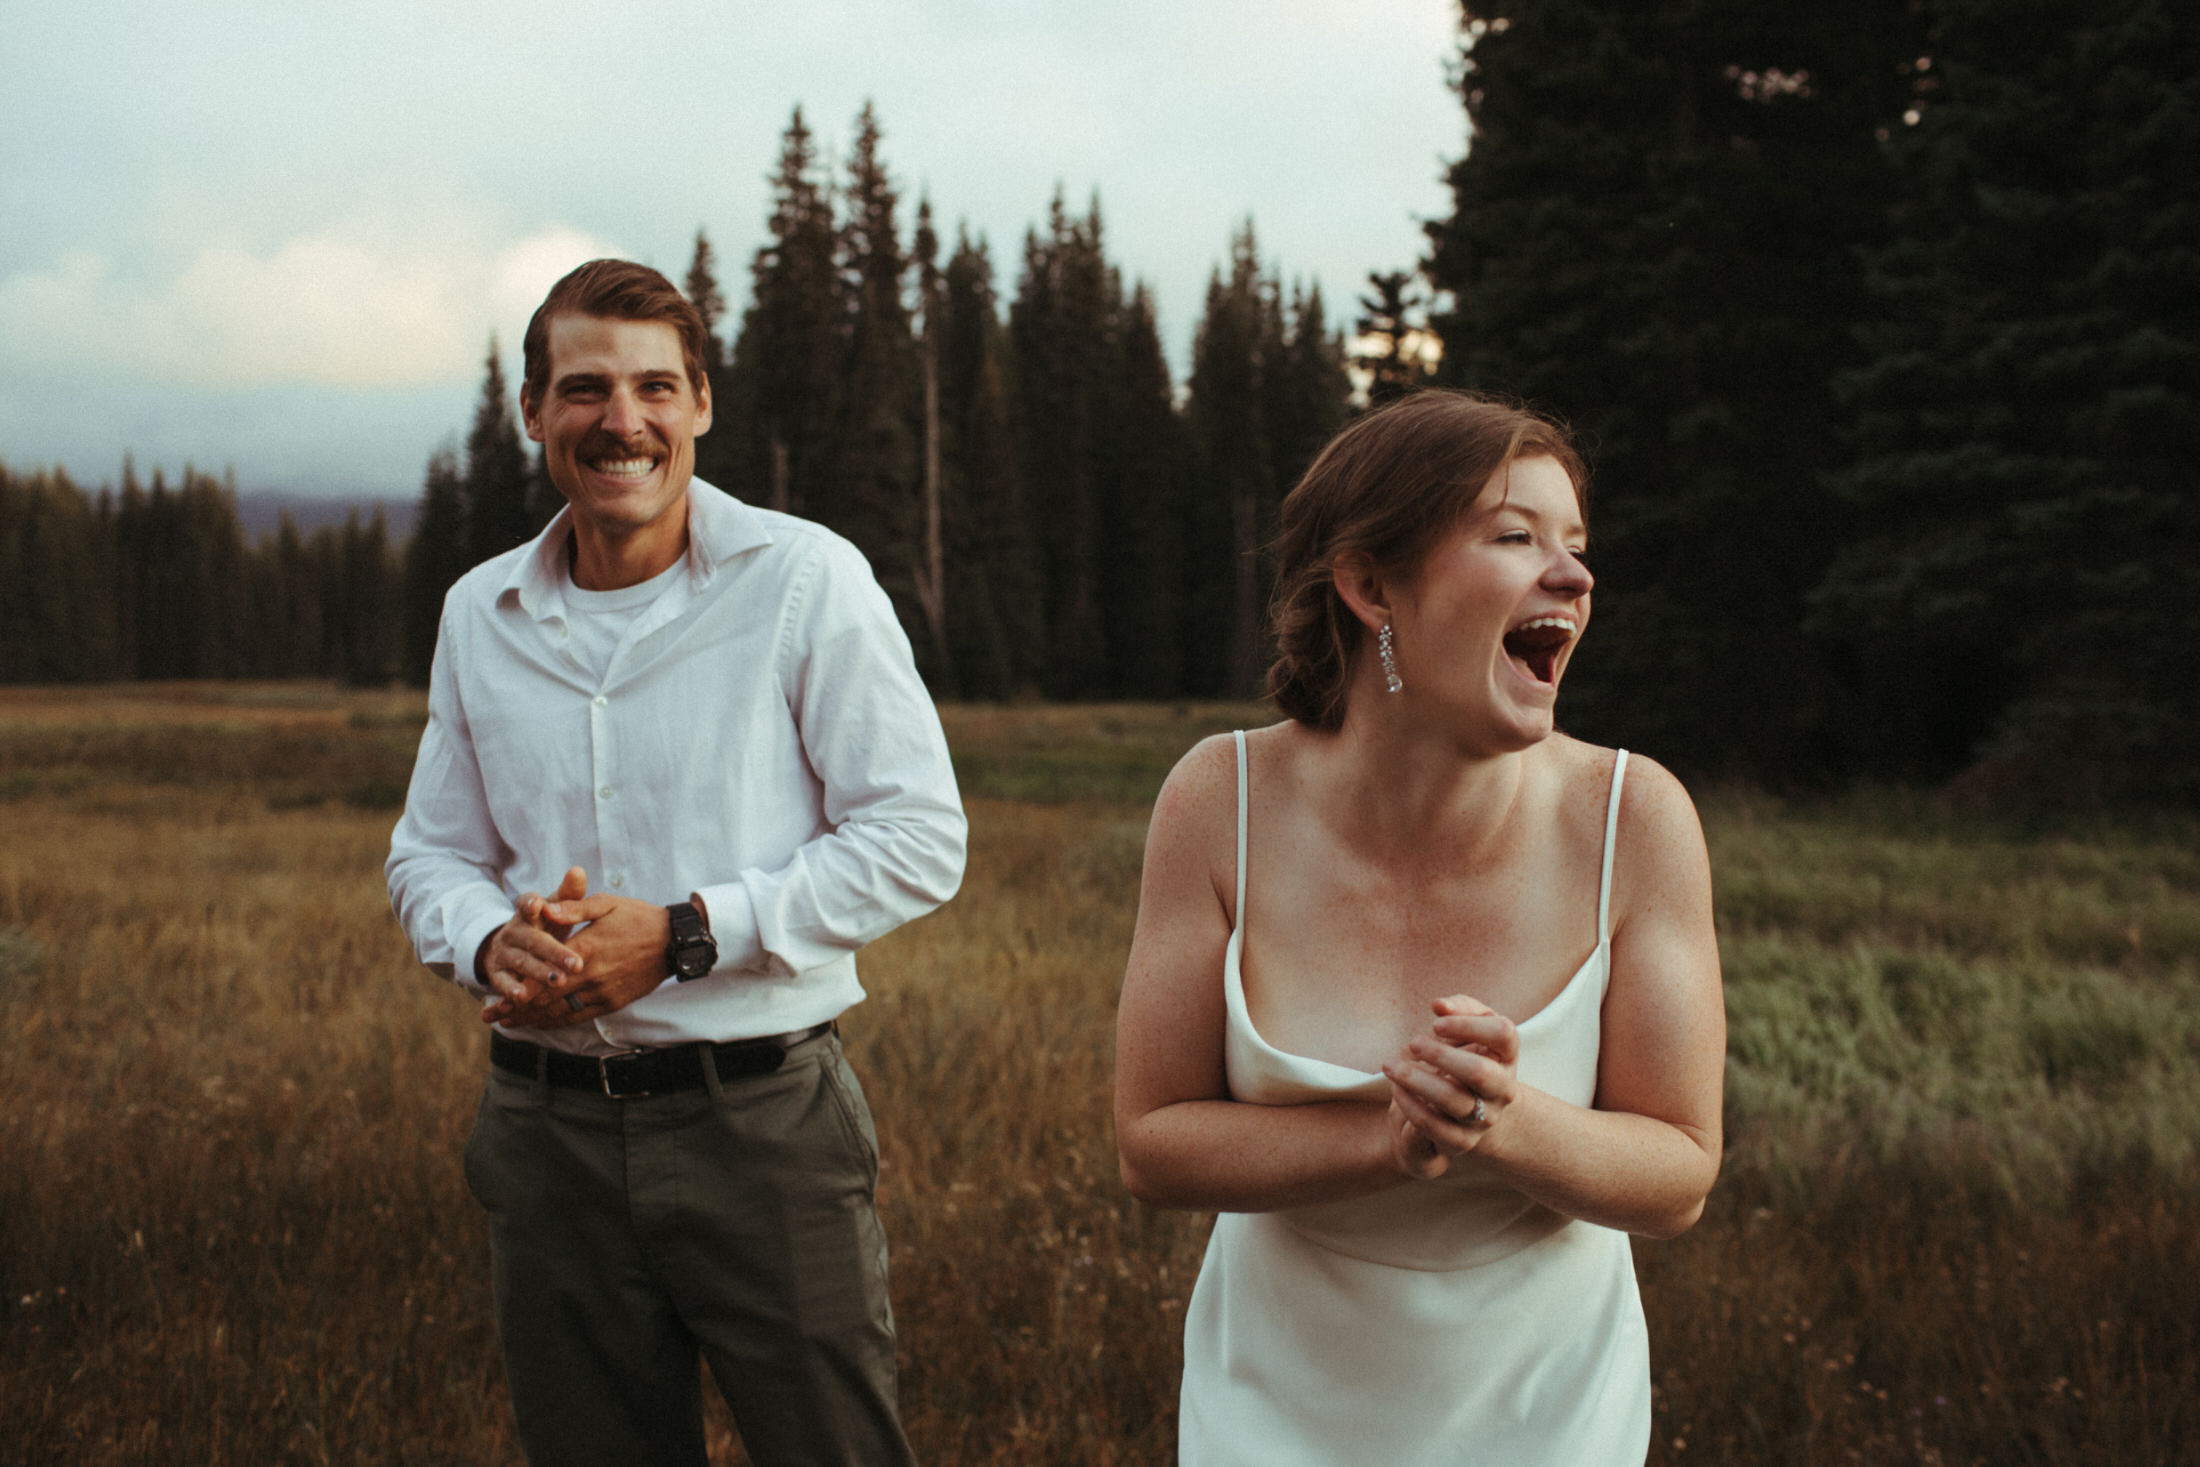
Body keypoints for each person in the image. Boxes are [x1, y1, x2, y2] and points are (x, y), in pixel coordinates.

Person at [386, 258, 965, 1467]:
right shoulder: (476, 613)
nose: (622, 421)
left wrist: (687, 935)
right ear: (534, 412)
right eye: (585, 388)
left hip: (760, 1130)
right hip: (542, 1141)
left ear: (702, 402)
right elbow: (432, 854)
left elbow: (918, 838)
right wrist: (490, 936)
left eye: (656, 386)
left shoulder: (806, 581)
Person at [1114, 390, 1724, 1466]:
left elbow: (1678, 1170)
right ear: (1368, 586)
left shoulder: (1636, 817)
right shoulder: (1220, 799)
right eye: (1513, 536)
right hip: (1271, 1402)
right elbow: (1154, 1142)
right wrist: (1389, 1142)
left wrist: (1501, 1120)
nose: (1573, 577)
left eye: (1575, 545)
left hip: (1547, 1411)